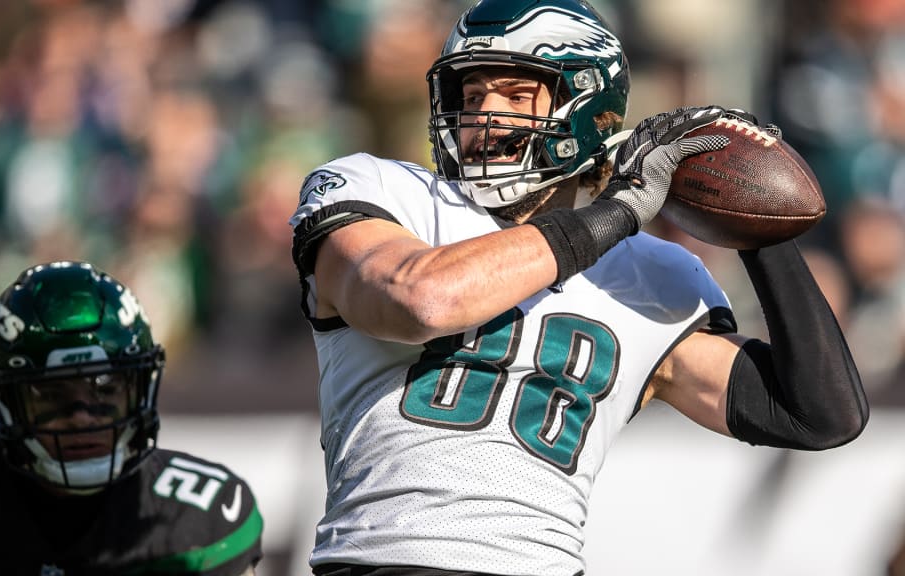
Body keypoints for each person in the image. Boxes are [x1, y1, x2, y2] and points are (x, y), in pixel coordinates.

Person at [288, 1, 869, 575]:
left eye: (516, 96)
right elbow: (421, 300)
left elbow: (816, 415)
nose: (484, 115)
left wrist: (760, 226)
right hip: (384, 561)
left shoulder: (648, 271)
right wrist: (615, 214)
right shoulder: (388, 194)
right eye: (471, 95)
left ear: (586, 109)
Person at [0, 261, 263, 575]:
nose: (81, 416)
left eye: (105, 388)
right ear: (3, 400)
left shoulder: (203, 519)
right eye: (51, 394)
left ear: (139, 389)